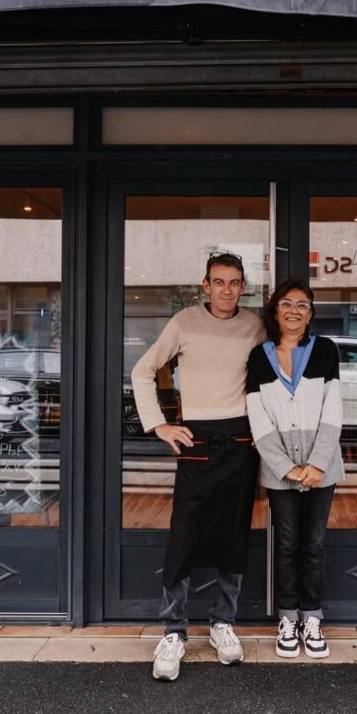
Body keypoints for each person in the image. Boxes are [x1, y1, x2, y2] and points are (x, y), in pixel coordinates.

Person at [132, 251, 265, 681]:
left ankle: (223, 622)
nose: (227, 289)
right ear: (205, 285)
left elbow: (269, 379)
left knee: (233, 535)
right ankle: (173, 630)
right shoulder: (184, 322)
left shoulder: (254, 326)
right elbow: (142, 371)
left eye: (234, 282)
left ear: (243, 287)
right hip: (196, 439)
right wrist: (159, 425)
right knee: (184, 536)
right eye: (219, 281)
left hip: (240, 439)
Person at [246, 278, 343, 659]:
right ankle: (288, 618)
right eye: (287, 303)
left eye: (302, 305)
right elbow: (258, 419)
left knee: (313, 545)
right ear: (275, 311)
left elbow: (333, 411)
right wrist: (286, 468)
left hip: (322, 469)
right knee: (286, 543)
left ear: (311, 313)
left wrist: (317, 463)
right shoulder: (259, 357)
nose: (294, 311)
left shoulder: (325, 350)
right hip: (279, 470)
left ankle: (312, 617)